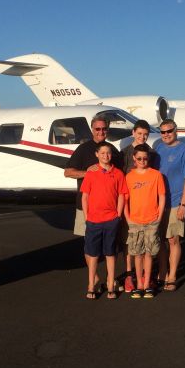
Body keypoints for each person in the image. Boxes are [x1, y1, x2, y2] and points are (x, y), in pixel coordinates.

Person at [64, 115, 123, 292]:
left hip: (109, 209)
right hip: (87, 206)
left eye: (104, 129)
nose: (101, 132)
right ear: (92, 130)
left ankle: (110, 280)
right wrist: (87, 172)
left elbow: (120, 175)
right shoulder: (83, 149)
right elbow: (68, 172)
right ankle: (95, 278)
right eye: (97, 129)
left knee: (110, 247)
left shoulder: (111, 150)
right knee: (90, 246)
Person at [80, 141, 128, 300]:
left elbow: (122, 194)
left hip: (111, 220)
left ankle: (110, 285)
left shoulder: (118, 173)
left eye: (108, 153)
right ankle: (91, 285)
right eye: (102, 153)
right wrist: (87, 216)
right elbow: (85, 196)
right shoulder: (91, 173)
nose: (105, 156)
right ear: (97, 154)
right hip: (93, 220)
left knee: (110, 253)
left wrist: (118, 215)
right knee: (93, 254)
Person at [155, 119, 185, 291]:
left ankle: (172, 276)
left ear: (176, 130)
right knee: (161, 240)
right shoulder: (158, 149)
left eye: (169, 131)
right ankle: (162, 271)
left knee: (173, 239)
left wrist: (183, 204)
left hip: (175, 202)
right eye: (162, 132)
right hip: (158, 202)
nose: (166, 135)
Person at [119, 119, 157, 292]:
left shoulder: (151, 153)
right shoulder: (125, 152)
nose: (142, 137)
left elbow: (153, 175)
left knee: (148, 245)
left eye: (145, 134)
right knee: (131, 242)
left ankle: (145, 277)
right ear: (133, 133)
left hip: (147, 205)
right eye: (139, 133)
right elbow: (120, 178)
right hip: (130, 204)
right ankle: (129, 275)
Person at [124, 144, 166, 299]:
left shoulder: (156, 175)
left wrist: (159, 217)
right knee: (137, 254)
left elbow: (161, 196)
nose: (142, 161)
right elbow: (125, 199)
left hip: (152, 220)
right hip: (135, 221)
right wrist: (128, 218)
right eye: (139, 158)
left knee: (149, 253)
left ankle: (147, 283)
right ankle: (139, 284)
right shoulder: (129, 176)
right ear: (134, 159)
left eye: (145, 158)